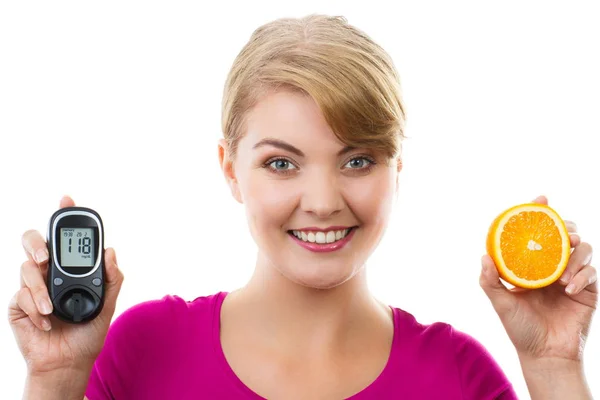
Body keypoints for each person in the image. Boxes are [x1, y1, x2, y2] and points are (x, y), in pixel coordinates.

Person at [9, 14, 597, 400]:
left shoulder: (459, 376)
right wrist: (56, 379)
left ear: (399, 169)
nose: (321, 202)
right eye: (282, 163)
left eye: (358, 160)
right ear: (229, 169)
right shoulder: (140, 350)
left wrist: (553, 367)